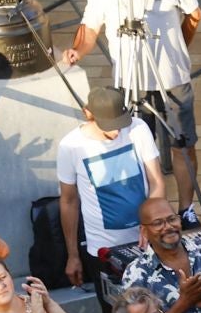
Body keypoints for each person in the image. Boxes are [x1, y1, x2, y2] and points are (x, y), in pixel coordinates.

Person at [54, 89, 164, 286]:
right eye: (109, 125)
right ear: (88, 114)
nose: (116, 131)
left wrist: (151, 225)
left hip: (149, 240)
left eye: (120, 123)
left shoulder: (138, 128)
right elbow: (69, 201)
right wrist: (73, 255)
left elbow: (156, 181)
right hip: (103, 249)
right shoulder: (70, 146)